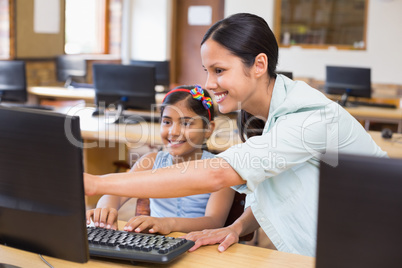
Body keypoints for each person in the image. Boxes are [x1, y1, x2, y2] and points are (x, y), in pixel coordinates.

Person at [84, 13, 387, 257]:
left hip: (378, 242)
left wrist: (98, 183)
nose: (209, 82)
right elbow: (274, 185)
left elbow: (217, 175)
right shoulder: (262, 115)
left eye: (218, 70)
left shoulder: (307, 119)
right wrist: (237, 227)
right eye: (206, 70)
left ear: (259, 65)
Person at [86, 85, 235, 234]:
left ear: (209, 129)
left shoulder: (220, 169)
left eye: (186, 123)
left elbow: (214, 221)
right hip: (158, 245)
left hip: (201, 246)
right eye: (167, 122)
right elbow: (115, 193)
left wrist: (169, 223)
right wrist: (106, 207)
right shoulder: (150, 162)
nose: (173, 132)